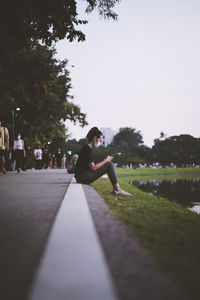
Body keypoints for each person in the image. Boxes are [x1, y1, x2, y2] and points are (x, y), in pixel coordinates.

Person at [75, 127, 131, 195]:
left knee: (108, 163)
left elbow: (90, 167)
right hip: (82, 178)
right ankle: (117, 189)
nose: (100, 143)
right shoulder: (87, 149)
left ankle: (116, 189)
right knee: (109, 164)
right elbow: (93, 168)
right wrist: (106, 161)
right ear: (95, 138)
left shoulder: (87, 148)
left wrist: (105, 161)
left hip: (81, 177)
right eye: (100, 141)